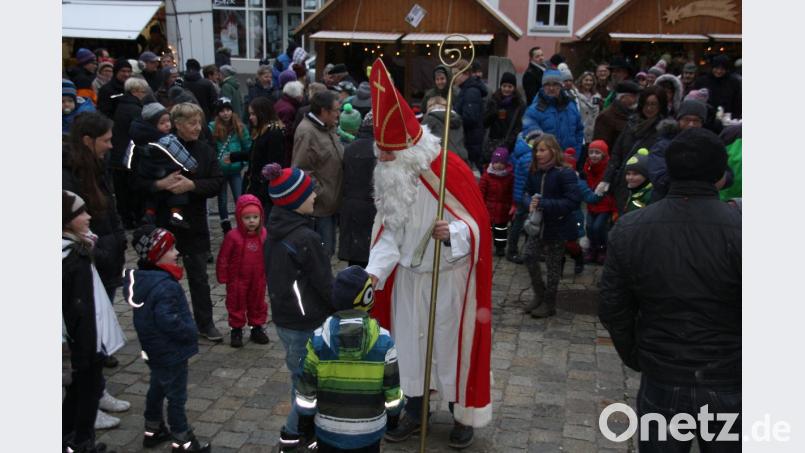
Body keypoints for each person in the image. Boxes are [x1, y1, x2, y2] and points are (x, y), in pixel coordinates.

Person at [365, 59, 492, 449]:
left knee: (450, 346)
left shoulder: (449, 169)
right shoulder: (393, 179)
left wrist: (452, 231)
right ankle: (414, 410)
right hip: (408, 280)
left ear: (407, 150)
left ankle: (460, 416)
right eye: (380, 155)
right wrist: (373, 273)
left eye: (388, 156)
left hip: (448, 278)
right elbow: (388, 233)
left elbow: (478, 229)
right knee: (409, 349)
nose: (382, 162)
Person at [599, 127, 741, 453]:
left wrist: (637, 354)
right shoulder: (742, 230)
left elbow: (613, 306)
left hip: (666, 372)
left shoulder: (630, 228)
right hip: (724, 376)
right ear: (720, 174)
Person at [133, 102, 224, 341]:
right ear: (178, 124)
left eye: (199, 122)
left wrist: (192, 185)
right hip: (164, 222)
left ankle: (205, 323)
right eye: (192, 123)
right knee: (160, 275)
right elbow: (139, 184)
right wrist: (159, 185)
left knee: (199, 277)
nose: (197, 127)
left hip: (194, 224)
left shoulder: (205, 150)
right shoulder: (162, 147)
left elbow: (217, 182)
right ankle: (161, 322)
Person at [261, 164, 334, 451]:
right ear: (295, 200)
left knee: (298, 377)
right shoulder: (306, 239)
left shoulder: (276, 229)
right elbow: (324, 284)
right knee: (310, 384)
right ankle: (291, 435)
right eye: (309, 192)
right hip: (307, 322)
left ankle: (305, 428)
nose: (315, 195)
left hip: (284, 319)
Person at [295, 265, 405, 453]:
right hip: (369, 431)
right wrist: (393, 418)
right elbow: (392, 392)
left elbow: (306, 390)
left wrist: (305, 423)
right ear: (368, 299)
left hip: (328, 430)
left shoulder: (318, 340)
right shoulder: (384, 341)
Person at [123, 226, 212, 453]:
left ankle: (153, 428)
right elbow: (168, 320)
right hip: (171, 351)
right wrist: (189, 331)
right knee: (176, 396)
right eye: (171, 248)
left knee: (158, 386)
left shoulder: (146, 282)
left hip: (154, 350)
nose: (176, 252)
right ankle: (183, 441)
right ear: (157, 256)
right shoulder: (164, 286)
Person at [62, 190, 127, 453]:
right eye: (81, 213)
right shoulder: (67, 258)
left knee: (87, 396)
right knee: (79, 398)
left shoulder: (82, 246)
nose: (88, 217)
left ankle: (82, 440)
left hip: (93, 339)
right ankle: (75, 442)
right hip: (81, 344)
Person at [63, 113, 128, 366]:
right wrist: (99, 249)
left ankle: (100, 350)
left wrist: (119, 237)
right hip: (92, 252)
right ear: (88, 140)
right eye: (106, 140)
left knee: (104, 307)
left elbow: (109, 204)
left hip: (108, 247)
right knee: (89, 314)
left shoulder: (97, 163)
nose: (111, 145)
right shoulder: (69, 173)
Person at [519, 134, 582, 318]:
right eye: (536, 150)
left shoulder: (565, 173)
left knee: (553, 266)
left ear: (553, 151)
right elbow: (525, 193)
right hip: (537, 226)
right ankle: (539, 294)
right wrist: (528, 201)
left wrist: (544, 204)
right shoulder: (534, 172)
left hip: (558, 227)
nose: (538, 154)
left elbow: (573, 202)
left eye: (542, 150)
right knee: (529, 256)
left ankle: (549, 302)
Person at [292, 90, 344, 257]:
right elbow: (301, 171)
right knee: (319, 256)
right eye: (336, 110)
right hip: (319, 210)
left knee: (327, 253)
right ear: (323, 111)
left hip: (332, 206)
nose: (338, 114)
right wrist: (324, 194)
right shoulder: (307, 132)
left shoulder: (328, 128)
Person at [599, 86, 667, 212]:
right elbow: (617, 153)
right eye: (646, 104)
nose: (649, 108)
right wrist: (606, 179)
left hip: (647, 190)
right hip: (624, 183)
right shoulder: (631, 124)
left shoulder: (664, 131)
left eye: (654, 104)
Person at [132, 102, 198, 229]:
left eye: (168, 121)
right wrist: (193, 168)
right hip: (168, 172)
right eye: (162, 123)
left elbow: (128, 163)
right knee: (177, 196)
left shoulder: (138, 141)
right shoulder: (167, 140)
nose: (168, 125)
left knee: (152, 199)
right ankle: (176, 216)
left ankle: (149, 214)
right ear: (152, 124)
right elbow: (184, 158)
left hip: (149, 174)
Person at [216, 195, 269, 347]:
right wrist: (223, 275)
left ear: (260, 217)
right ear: (240, 218)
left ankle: (256, 327)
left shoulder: (264, 234)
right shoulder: (233, 237)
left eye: (255, 217)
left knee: (257, 302)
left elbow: (269, 254)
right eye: (247, 218)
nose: (251, 221)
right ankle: (236, 329)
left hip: (258, 278)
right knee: (236, 303)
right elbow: (223, 257)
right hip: (237, 279)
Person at [226, 97, 286, 219]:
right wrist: (235, 156)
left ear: (262, 113)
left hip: (262, 192)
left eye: (253, 114)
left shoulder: (273, 133)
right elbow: (255, 154)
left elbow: (273, 166)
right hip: (254, 185)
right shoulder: (262, 130)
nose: (250, 117)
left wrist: (261, 188)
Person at [647, 99, 709, 201]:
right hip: (666, 203)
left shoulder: (708, 144)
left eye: (696, 121)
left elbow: (726, 175)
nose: (691, 125)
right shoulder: (662, 146)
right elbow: (659, 180)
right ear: (678, 120)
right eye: (687, 120)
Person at [338, 113, 377, 269]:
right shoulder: (382, 150)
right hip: (374, 207)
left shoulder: (351, 148)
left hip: (352, 206)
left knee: (355, 262)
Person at [110, 77, 150, 229]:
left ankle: (127, 219)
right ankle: (135, 219)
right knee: (132, 190)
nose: (144, 95)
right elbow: (139, 133)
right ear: (135, 91)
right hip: (129, 156)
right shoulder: (135, 109)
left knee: (122, 191)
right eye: (143, 92)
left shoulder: (120, 105)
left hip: (118, 155)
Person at [209, 97, 251, 233]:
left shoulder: (240, 127)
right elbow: (211, 149)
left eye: (228, 110)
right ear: (218, 113)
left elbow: (247, 147)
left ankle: (242, 222)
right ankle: (225, 225)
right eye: (222, 111)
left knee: (239, 197)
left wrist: (242, 162)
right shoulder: (212, 128)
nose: (226, 113)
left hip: (235, 169)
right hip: (220, 171)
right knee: (222, 200)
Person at [521, 69, 584, 161]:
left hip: (570, 162)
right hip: (545, 164)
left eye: (555, 84)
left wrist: (575, 155)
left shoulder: (571, 105)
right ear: (543, 87)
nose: (551, 88)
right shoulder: (533, 111)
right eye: (547, 84)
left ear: (561, 86)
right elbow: (531, 139)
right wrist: (554, 157)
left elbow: (579, 131)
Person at [582, 140, 616, 264]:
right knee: (589, 227)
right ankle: (592, 249)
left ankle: (602, 249)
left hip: (605, 204)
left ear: (604, 154)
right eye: (591, 152)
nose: (594, 155)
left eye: (597, 152)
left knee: (598, 228)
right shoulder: (587, 166)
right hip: (592, 204)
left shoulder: (608, 168)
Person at [453, 60, 489, 170]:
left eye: (456, 74)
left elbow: (470, 118)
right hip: (471, 139)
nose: (454, 77)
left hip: (471, 140)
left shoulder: (471, 91)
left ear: (466, 74)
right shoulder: (466, 89)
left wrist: (454, 120)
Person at [479, 148, 515, 257]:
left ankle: (500, 247)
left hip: (503, 209)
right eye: (496, 162)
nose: (499, 165)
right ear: (492, 162)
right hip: (488, 208)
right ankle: (485, 246)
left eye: (502, 163)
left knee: (501, 230)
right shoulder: (487, 175)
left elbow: (511, 192)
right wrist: (481, 205)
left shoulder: (509, 177)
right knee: (486, 229)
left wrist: (512, 205)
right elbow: (481, 191)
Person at [483, 72, 525, 163]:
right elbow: (485, 122)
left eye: (510, 86)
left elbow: (519, 126)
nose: (506, 89)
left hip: (510, 145)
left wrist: (508, 143)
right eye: (504, 86)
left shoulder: (519, 104)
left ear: (514, 88)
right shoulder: (494, 100)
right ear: (501, 86)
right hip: (494, 142)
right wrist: (493, 113)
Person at [592, 80, 639, 153]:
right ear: (622, 97)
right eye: (633, 96)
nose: (636, 99)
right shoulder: (606, 117)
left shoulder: (636, 114)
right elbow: (601, 147)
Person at [422, 96, 468, 164]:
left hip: (442, 159)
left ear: (429, 107)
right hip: (461, 157)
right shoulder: (457, 119)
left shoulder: (429, 118)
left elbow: (421, 140)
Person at [694, 54, 741, 119]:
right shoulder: (702, 81)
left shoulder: (734, 82)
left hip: (727, 118)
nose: (719, 71)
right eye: (716, 68)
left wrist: (734, 117)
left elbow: (738, 102)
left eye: (722, 69)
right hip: (706, 117)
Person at [274, 80, 304, 162]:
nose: (302, 95)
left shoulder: (282, 102)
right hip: (285, 148)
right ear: (296, 95)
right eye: (301, 93)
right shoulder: (288, 109)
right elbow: (287, 131)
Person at [621, 149, 653, 215]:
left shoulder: (650, 195)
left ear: (646, 175)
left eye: (635, 174)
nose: (630, 177)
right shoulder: (633, 190)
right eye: (628, 174)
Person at [574, 71, 603, 147]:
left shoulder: (597, 96)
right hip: (580, 132)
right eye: (586, 80)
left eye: (591, 80)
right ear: (581, 81)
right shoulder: (576, 95)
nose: (588, 82)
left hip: (593, 133)